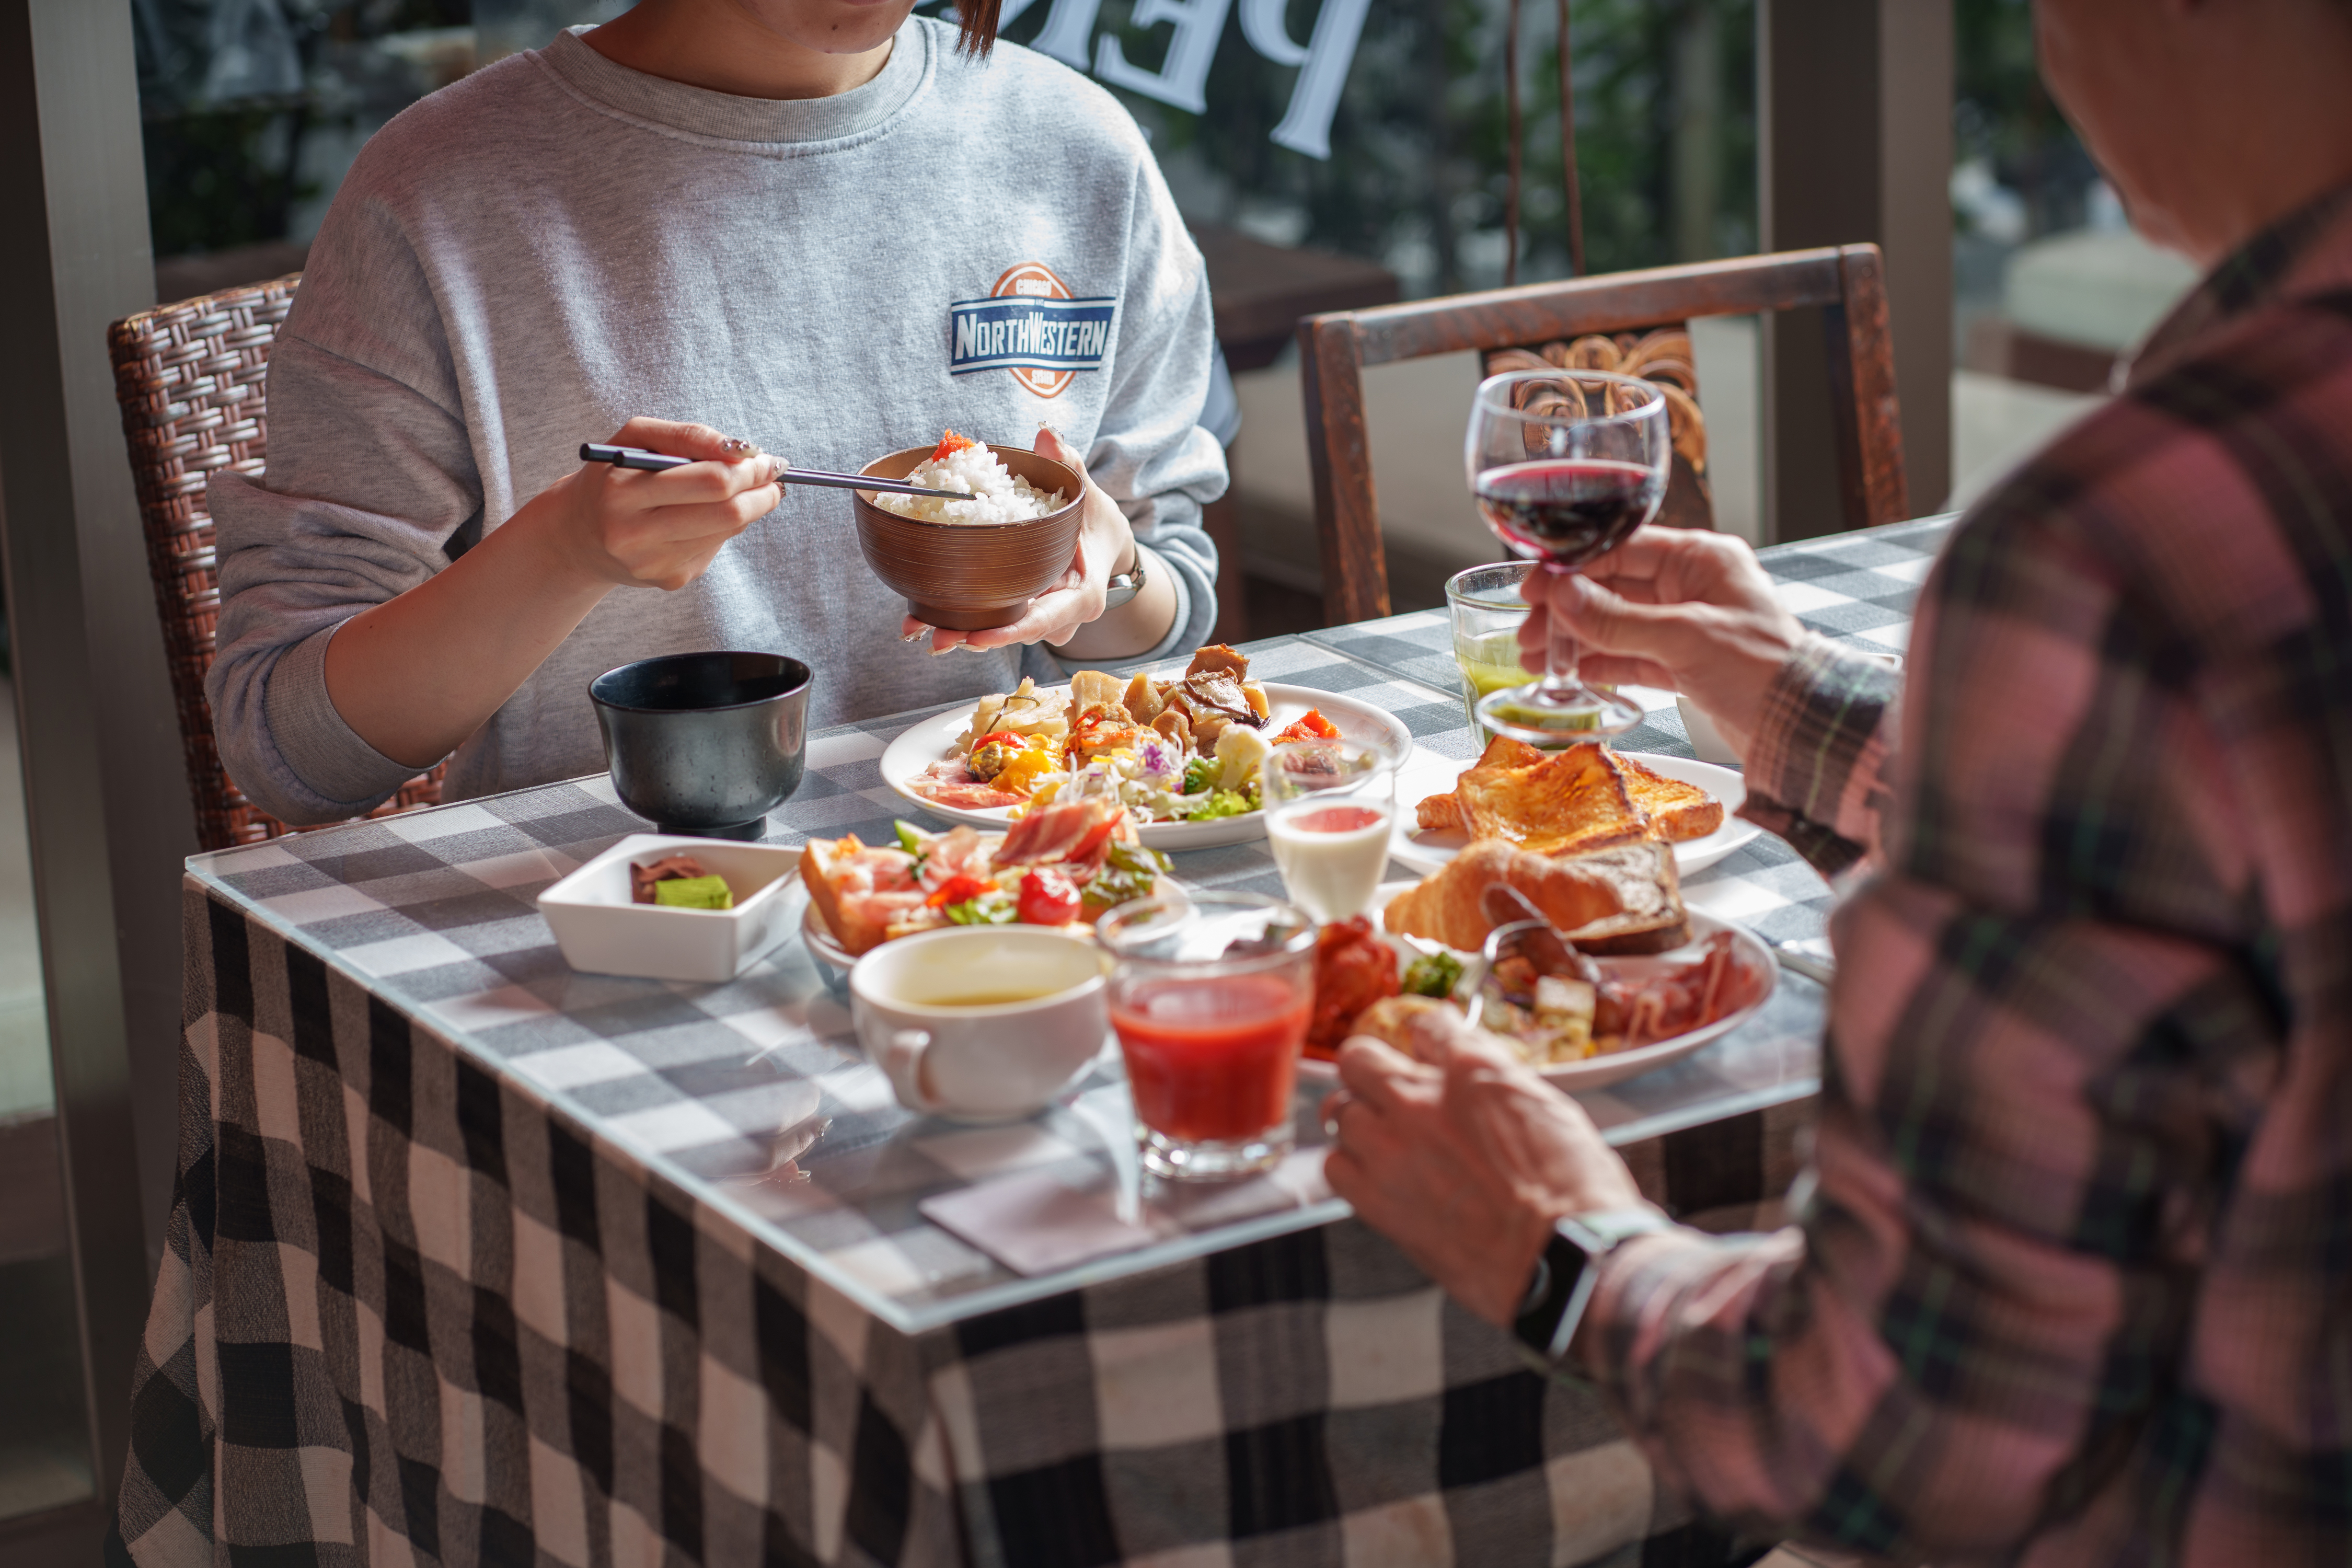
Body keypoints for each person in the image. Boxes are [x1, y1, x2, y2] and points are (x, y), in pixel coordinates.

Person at [1326, 0, 2352, 1556]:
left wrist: (1559, 1249)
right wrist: (1789, 703)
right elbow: (2233, 828)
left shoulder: (2128, 553)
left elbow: (1910, 1432)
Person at [205, 0, 1225, 825]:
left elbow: (1170, 610)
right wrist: (562, 552)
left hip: (1010, 885)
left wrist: (1112, 573)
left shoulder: (1079, 153)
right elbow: (291, 753)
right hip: (619, 932)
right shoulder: (440, 192)